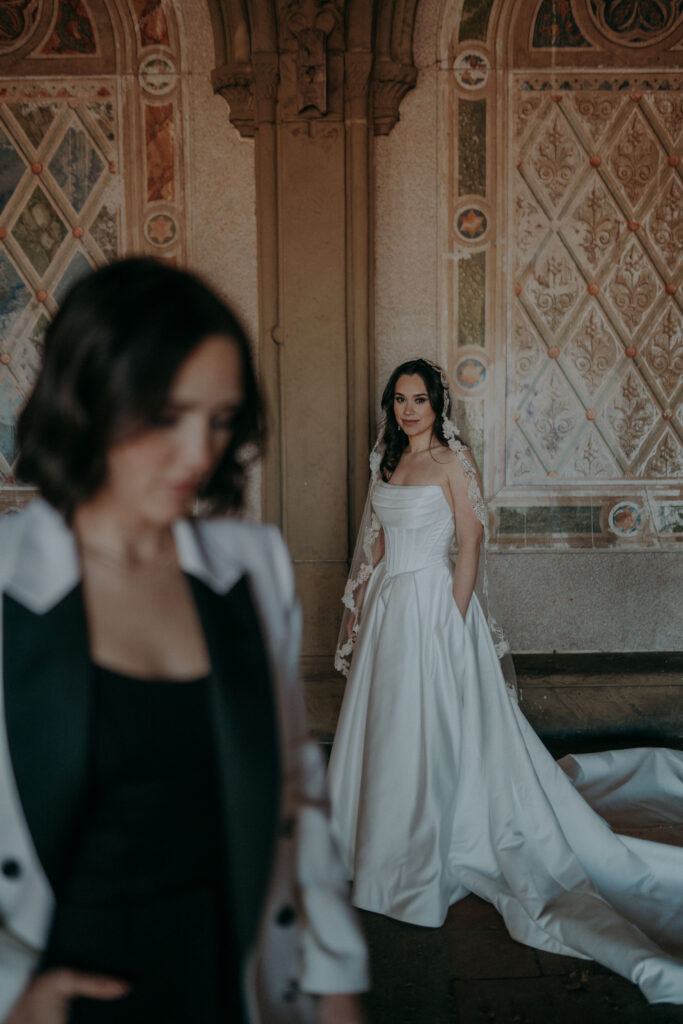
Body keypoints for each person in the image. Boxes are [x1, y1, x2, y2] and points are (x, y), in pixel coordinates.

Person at [0, 258, 369, 1024]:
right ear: (89, 395)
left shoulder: (251, 568)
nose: (200, 454)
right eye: (167, 416)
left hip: (235, 978)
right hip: (73, 989)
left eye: (222, 419)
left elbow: (296, 789)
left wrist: (335, 981)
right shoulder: (8, 583)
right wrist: (9, 992)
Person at [328, 357, 683, 1005]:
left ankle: (425, 853)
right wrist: (357, 608)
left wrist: (453, 620)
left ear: (437, 406)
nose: (408, 410)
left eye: (419, 400)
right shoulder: (389, 463)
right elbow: (376, 543)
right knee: (387, 729)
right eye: (399, 400)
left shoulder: (450, 465)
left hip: (435, 608)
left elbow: (469, 543)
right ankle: (376, 845)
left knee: (432, 728)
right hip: (388, 611)